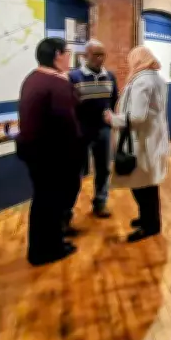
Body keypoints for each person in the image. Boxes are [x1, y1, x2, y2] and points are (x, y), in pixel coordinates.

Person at [17, 38, 82, 266]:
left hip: (35, 152)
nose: (69, 58)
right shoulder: (57, 84)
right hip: (53, 155)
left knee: (43, 201)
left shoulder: (32, 78)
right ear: (57, 55)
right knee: (52, 203)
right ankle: (48, 250)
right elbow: (67, 123)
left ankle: (43, 246)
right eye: (67, 53)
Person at [103, 46, 170, 242]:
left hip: (141, 141)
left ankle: (150, 226)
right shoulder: (157, 78)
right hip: (151, 137)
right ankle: (148, 218)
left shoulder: (142, 82)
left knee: (141, 185)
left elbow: (138, 116)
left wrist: (113, 119)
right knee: (147, 183)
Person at [68, 39, 118, 220]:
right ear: (85, 55)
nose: (100, 58)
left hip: (103, 130)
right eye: (96, 54)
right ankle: (66, 213)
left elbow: (113, 100)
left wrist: (109, 116)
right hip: (81, 131)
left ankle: (100, 203)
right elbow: (69, 104)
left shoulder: (110, 76)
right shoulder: (73, 77)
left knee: (103, 169)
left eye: (102, 54)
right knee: (75, 172)